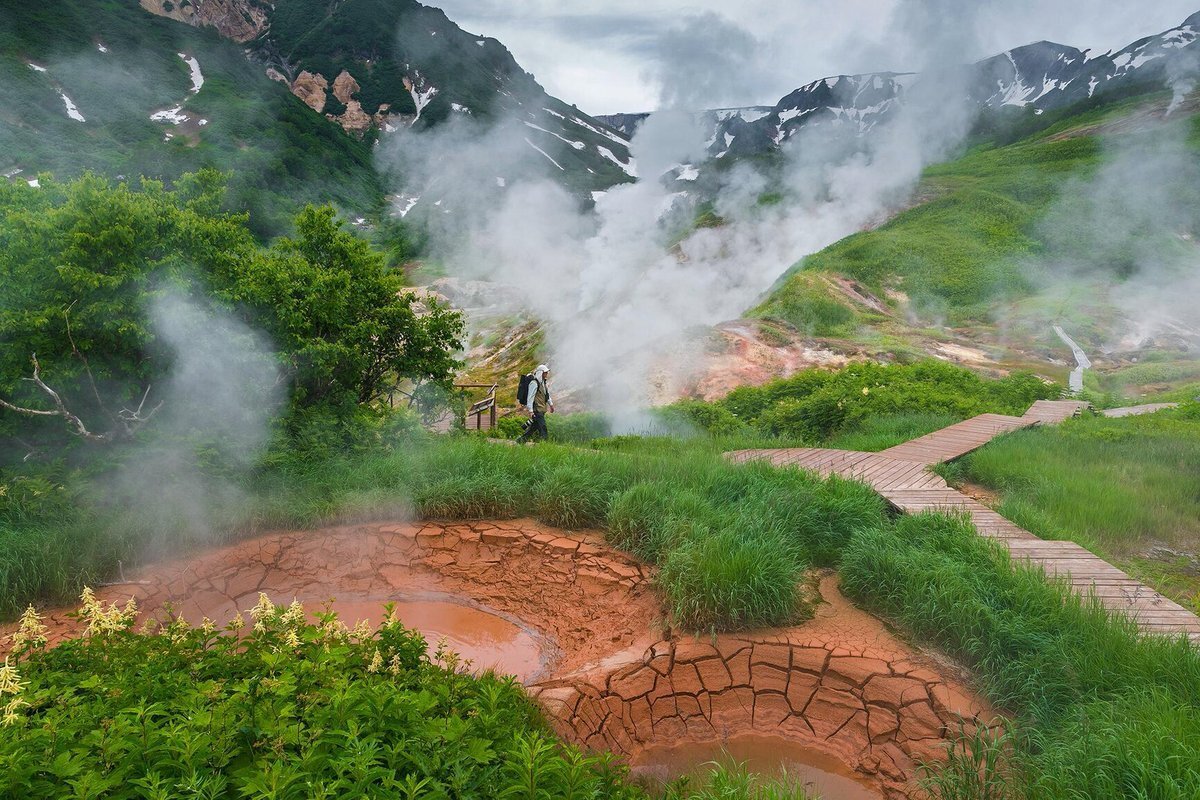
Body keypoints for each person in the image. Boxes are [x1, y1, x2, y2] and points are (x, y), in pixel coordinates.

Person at [516, 364, 554, 443]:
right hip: (537, 410)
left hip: (541, 409)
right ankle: (545, 444)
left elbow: (546, 395)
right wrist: (530, 411)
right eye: (545, 372)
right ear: (541, 373)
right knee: (543, 427)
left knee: (534, 427)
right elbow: (530, 397)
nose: (547, 374)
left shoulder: (543, 383)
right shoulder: (534, 383)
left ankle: (521, 440)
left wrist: (551, 405)